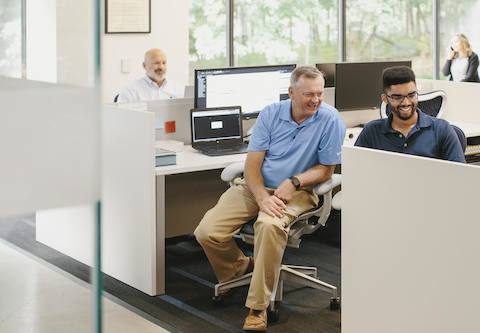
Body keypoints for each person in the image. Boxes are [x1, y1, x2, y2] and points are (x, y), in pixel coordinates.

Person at [194, 66, 345, 331]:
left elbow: (326, 169)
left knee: (270, 226)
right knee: (207, 231)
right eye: (309, 94)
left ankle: (257, 308)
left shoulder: (330, 120)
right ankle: (240, 269)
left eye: (320, 94)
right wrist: (262, 196)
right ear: (291, 93)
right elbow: (252, 165)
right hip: (257, 186)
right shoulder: (270, 114)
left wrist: (294, 181)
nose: (316, 100)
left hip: (299, 192)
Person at [355, 66, 465, 163]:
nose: (406, 102)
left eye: (411, 95)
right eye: (398, 97)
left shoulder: (442, 129)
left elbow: (460, 176)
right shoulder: (372, 131)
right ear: (385, 99)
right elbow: (356, 171)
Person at [116, 48, 184, 103]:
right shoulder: (130, 90)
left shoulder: (178, 89)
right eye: (156, 63)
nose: (161, 67)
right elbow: (122, 117)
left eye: (164, 63)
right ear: (144, 66)